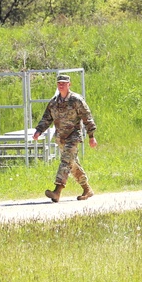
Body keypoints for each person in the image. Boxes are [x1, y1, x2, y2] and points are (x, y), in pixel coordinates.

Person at [32, 73, 98, 202]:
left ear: (69, 84)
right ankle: (87, 189)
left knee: (65, 161)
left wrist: (91, 136)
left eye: (64, 83)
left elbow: (87, 117)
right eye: (59, 83)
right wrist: (39, 131)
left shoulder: (76, 100)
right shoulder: (54, 103)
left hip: (73, 136)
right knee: (71, 164)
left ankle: (57, 191)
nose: (61, 85)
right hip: (61, 138)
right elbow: (47, 118)